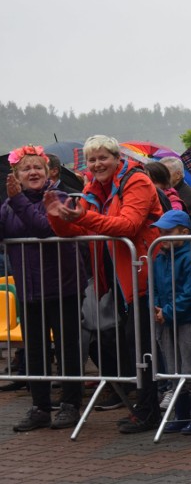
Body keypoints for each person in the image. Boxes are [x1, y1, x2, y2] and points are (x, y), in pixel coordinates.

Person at [45, 135, 164, 434]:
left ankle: (150, 409)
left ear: (117, 159)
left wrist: (84, 217)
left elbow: (128, 225)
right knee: (130, 342)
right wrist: (57, 215)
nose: (97, 164)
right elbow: (73, 229)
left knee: (143, 344)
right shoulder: (91, 188)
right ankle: (145, 405)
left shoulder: (137, 181)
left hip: (146, 274)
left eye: (103, 158)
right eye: (92, 160)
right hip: (116, 276)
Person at [2, 145, 87, 431]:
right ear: (16, 175)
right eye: (26, 169)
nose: (33, 172)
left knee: (67, 348)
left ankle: (70, 404)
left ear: (49, 172)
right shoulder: (8, 205)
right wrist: (11, 202)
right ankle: (39, 406)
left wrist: (17, 201)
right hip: (28, 289)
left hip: (63, 286)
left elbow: (43, 227)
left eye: (37, 167)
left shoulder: (59, 197)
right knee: (35, 350)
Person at [151, 210, 191, 435]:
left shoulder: (190, 258)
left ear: (184, 232)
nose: (162, 235)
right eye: (161, 231)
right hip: (165, 319)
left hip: (184, 320)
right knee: (173, 367)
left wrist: (167, 311)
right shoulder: (159, 258)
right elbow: (154, 286)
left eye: (168, 231)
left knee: (190, 366)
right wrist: (157, 308)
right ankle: (181, 414)